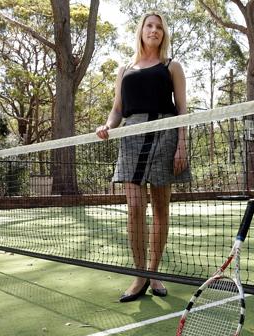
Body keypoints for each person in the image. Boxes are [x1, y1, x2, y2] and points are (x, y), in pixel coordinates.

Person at [96, 12, 190, 302]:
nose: (154, 30)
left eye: (159, 27)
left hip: (165, 134)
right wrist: (108, 126)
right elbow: (117, 109)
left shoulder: (171, 66)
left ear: (164, 34)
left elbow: (182, 110)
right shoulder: (124, 69)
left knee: (161, 209)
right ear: (141, 31)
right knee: (135, 207)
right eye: (150, 26)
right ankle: (139, 276)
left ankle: (155, 273)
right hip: (132, 136)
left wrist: (181, 146)